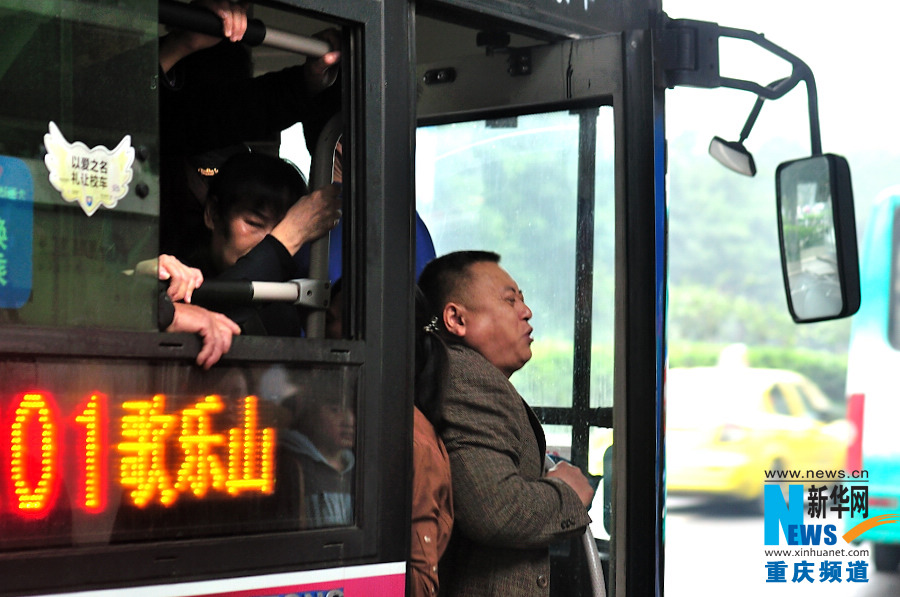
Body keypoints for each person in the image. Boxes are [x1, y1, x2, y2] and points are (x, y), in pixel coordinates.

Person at [417, 250, 594, 596]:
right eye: (509, 300)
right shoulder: (467, 377)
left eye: (523, 300)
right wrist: (567, 493)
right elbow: (496, 509)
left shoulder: (467, 375)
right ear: (456, 319)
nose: (526, 312)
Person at [163, 151, 341, 336]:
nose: (267, 239)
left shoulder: (290, 296)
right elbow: (199, 315)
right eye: (254, 223)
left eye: (282, 227)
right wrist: (285, 240)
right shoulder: (176, 275)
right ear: (213, 214)